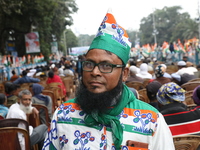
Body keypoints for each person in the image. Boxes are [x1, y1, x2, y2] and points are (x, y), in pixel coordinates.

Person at [43, 10, 174, 150]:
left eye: (106, 66)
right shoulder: (64, 114)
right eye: (89, 64)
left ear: (124, 74)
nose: (95, 72)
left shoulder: (151, 120)